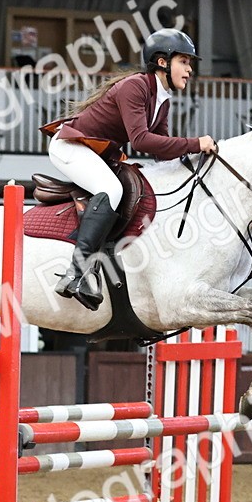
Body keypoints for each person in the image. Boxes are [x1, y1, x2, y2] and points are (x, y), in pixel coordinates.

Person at [41, 28, 217, 311]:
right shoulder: (134, 86)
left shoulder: (162, 100)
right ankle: (77, 273)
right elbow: (141, 140)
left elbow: (161, 152)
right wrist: (195, 143)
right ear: (163, 61)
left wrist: (195, 167)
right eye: (184, 62)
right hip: (70, 147)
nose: (189, 70)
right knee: (111, 189)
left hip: (95, 153)